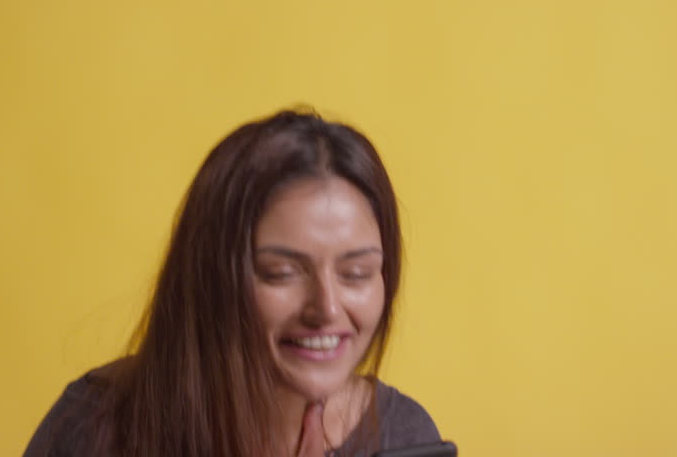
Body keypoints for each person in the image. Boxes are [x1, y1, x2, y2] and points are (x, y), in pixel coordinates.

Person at [24, 109, 442, 457]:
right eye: (281, 273)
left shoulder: (402, 434)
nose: (328, 309)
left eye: (357, 274)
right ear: (212, 279)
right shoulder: (93, 425)